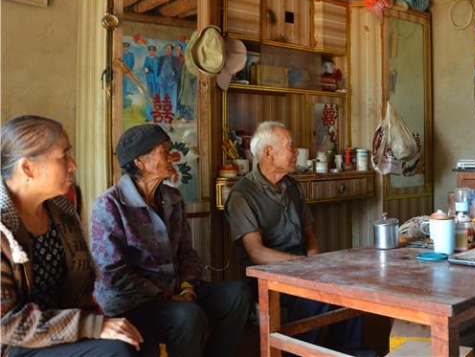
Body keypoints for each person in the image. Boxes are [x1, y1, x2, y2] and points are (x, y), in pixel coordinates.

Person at [90, 124, 250, 357]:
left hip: (175, 291)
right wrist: (168, 296)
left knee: (237, 294)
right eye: (164, 151)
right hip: (133, 302)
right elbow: (113, 274)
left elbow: (187, 253)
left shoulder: (172, 198)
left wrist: (187, 288)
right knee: (187, 315)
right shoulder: (109, 205)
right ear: (140, 162)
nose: (172, 156)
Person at [225, 121, 371, 356]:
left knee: (349, 283)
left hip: (302, 266)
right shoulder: (243, 194)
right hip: (268, 275)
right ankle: (295, 354)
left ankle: (347, 350)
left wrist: (314, 261)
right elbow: (256, 253)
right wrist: (304, 265)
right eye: (290, 146)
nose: (295, 152)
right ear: (269, 152)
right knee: (315, 294)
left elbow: (309, 234)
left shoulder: (292, 186)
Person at [1, 115, 143, 357]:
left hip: (63, 331)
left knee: (138, 334)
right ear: (27, 168)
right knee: (115, 350)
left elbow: (81, 288)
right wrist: (91, 326)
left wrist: (96, 325)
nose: (73, 165)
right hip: (15, 344)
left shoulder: (61, 211)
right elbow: (5, 324)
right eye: (63, 156)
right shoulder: (3, 226)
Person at [142, 45, 159, 122]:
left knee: (157, 98)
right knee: (149, 97)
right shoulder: (147, 59)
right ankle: (149, 116)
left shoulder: (157, 59)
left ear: (155, 51)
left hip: (156, 82)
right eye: (150, 50)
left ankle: (157, 115)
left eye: (153, 50)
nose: (151, 52)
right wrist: (147, 70)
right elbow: (144, 68)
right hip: (149, 81)